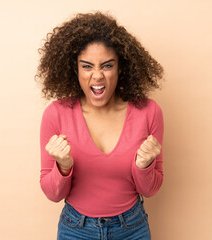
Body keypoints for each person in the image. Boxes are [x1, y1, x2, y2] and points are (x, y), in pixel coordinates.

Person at [36, 11, 164, 240]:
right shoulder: (56, 114)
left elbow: (150, 190)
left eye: (107, 66)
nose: (97, 76)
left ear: (120, 68)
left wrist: (144, 165)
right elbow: (52, 194)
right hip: (76, 229)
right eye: (87, 66)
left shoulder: (148, 112)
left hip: (132, 229)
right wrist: (63, 167)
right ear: (74, 69)